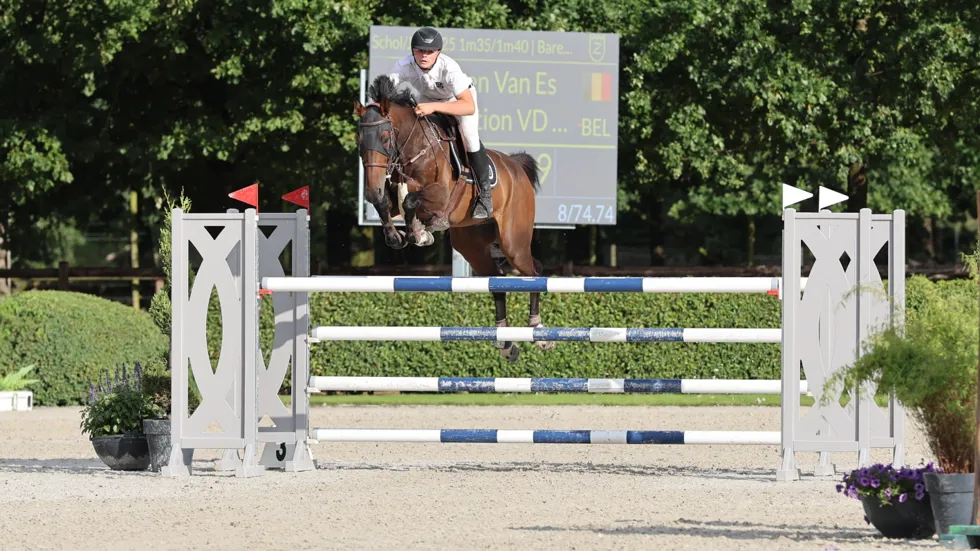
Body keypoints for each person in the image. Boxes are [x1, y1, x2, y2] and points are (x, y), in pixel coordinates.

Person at [388, 27, 495, 220]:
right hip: (427, 98)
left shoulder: (449, 68)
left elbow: (468, 106)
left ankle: (485, 196)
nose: (424, 55)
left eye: (430, 52)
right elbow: (384, 93)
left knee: (470, 138)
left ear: (438, 52)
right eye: (420, 50)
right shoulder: (403, 65)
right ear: (413, 51)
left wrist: (434, 108)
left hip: (458, 101)